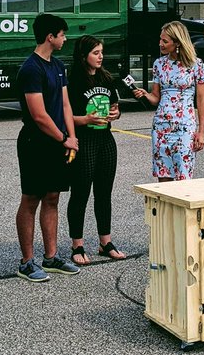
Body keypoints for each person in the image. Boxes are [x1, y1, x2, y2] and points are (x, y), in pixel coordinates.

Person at [13, 13, 81, 281]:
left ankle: (51, 257)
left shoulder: (58, 66)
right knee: (31, 199)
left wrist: (72, 137)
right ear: (50, 37)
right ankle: (26, 262)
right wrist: (63, 138)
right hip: (35, 142)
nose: (65, 39)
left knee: (52, 197)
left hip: (59, 141)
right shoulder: (31, 69)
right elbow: (39, 115)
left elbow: (65, 104)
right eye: (62, 35)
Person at [65, 35, 142, 265]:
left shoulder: (107, 78)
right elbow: (64, 115)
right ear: (83, 55)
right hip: (84, 140)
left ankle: (105, 242)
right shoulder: (73, 81)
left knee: (104, 193)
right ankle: (77, 245)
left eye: (101, 52)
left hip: (105, 140)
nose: (100, 57)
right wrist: (85, 119)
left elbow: (115, 107)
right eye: (95, 53)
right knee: (80, 193)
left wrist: (116, 114)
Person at [134, 21, 204, 182]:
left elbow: (201, 99)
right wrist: (145, 95)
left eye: (165, 41)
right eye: (160, 39)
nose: (160, 43)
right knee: (163, 178)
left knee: (183, 179)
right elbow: (155, 98)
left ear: (177, 43)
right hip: (161, 127)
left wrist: (201, 132)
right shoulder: (159, 64)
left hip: (184, 127)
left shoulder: (197, 65)